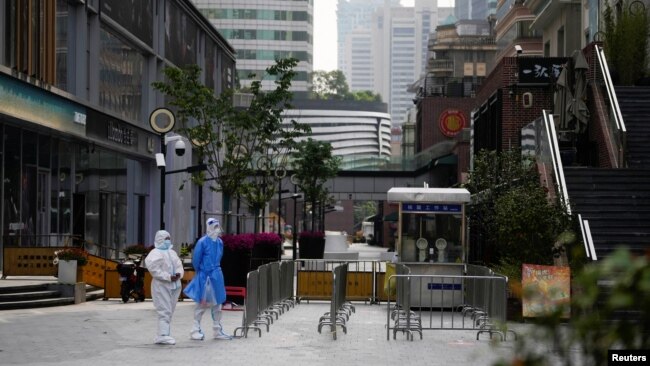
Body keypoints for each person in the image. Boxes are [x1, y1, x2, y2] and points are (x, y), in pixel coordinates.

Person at [183, 218, 232, 340]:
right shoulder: (202, 242)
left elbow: (219, 257)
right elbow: (196, 260)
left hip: (216, 275)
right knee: (201, 303)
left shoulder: (219, 242)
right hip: (205, 276)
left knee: (218, 303)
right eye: (214, 227)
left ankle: (217, 329)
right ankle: (195, 329)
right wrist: (201, 272)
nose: (217, 229)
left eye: (217, 226)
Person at [144, 230, 184, 345]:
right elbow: (154, 270)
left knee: (170, 310)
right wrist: (168, 277)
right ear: (160, 239)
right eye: (165, 238)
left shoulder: (172, 252)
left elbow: (178, 265)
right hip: (162, 285)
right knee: (164, 310)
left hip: (174, 285)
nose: (168, 241)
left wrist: (178, 274)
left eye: (169, 238)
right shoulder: (155, 253)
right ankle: (163, 335)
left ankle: (163, 333)